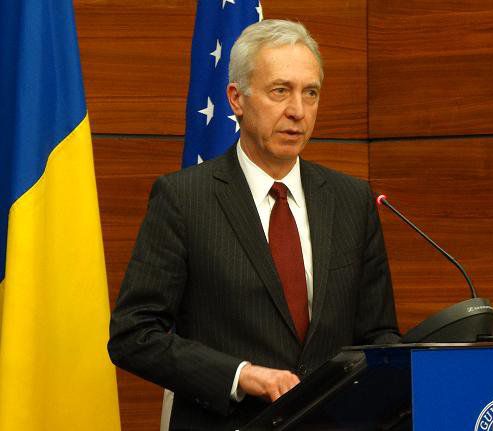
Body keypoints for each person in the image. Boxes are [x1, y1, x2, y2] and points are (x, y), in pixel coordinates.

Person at [108, 19, 400, 430]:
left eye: (310, 92)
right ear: (236, 99)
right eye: (280, 90)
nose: (297, 111)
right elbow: (133, 335)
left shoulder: (352, 200)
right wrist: (240, 375)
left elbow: (380, 336)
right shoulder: (184, 199)